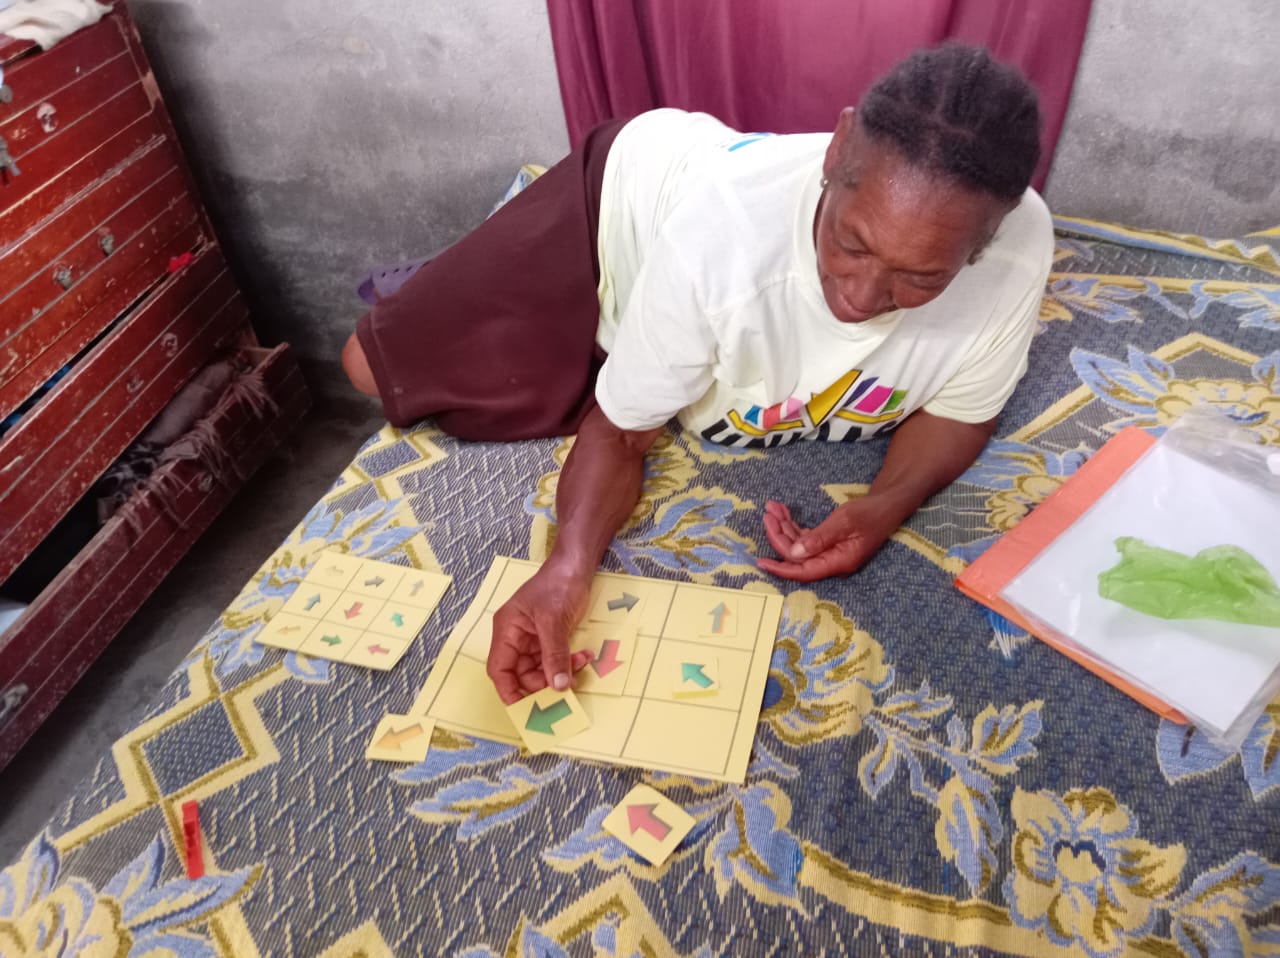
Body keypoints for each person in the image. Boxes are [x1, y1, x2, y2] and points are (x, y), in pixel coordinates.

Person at [341, 44, 1054, 706]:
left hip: (692, 279)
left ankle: (615, 329)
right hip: (619, 207)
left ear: (987, 238)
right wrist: (566, 568)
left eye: (921, 278)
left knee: (619, 364)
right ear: (837, 149)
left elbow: (962, 410)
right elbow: (622, 433)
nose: (862, 299)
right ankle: (467, 271)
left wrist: (888, 502)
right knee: (371, 368)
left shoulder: (1019, 246)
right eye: (851, 243)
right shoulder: (719, 242)